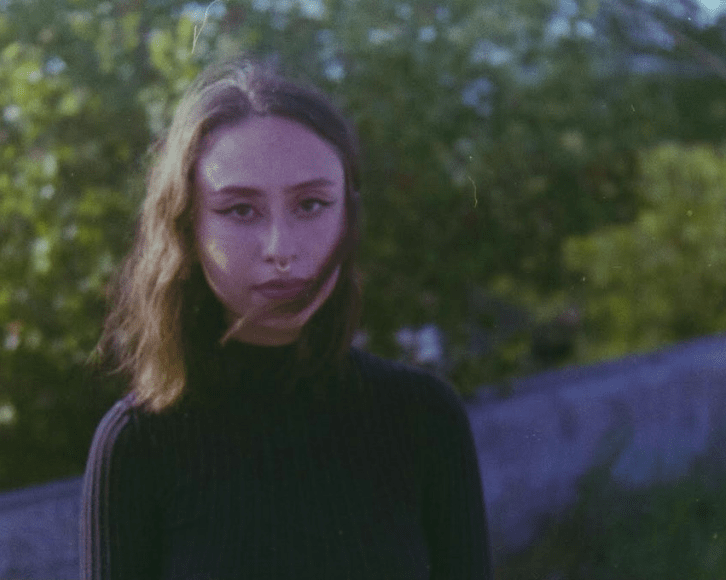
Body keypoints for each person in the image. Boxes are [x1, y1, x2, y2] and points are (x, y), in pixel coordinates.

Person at [80, 57, 492, 580]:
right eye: (241, 210)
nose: (281, 248)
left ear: (348, 215)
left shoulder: (424, 417)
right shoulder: (138, 444)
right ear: (187, 228)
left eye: (311, 204)